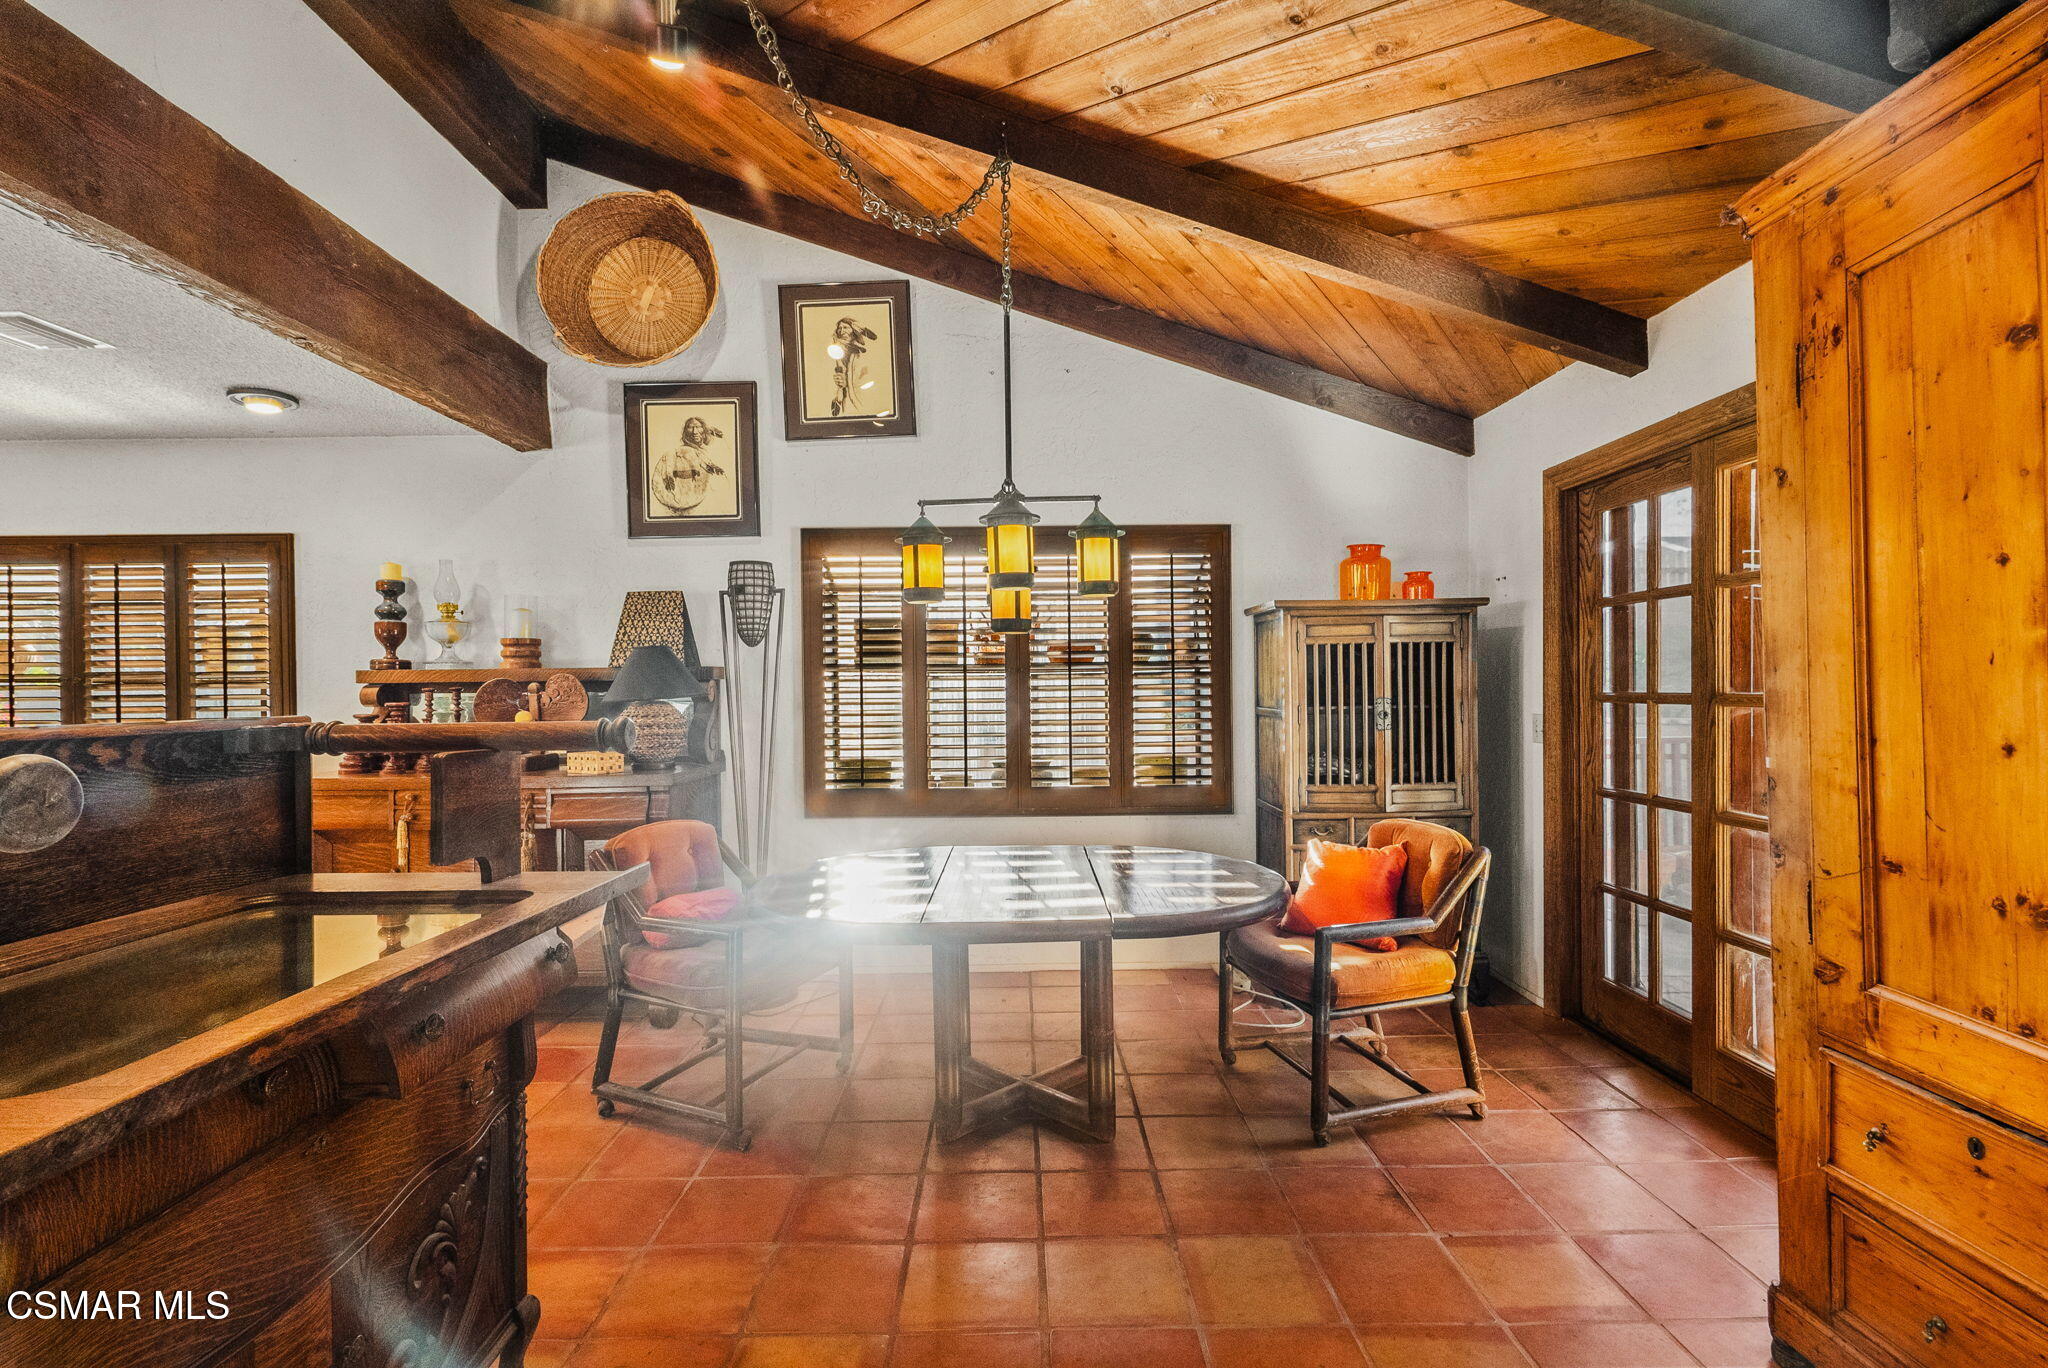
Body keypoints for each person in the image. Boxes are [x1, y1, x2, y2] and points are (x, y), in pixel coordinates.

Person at [651, 414, 725, 516]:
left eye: (698, 427)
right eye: (690, 427)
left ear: (704, 430)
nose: (694, 431)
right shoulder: (672, 454)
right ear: (685, 431)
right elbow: (659, 482)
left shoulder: (710, 454)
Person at [827, 316, 878, 417]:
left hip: (864, 395)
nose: (842, 331)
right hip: (848, 399)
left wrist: (860, 328)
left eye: (845, 327)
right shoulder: (838, 350)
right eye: (839, 328)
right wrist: (839, 393)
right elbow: (838, 372)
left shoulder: (864, 348)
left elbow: (874, 337)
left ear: (853, 329)